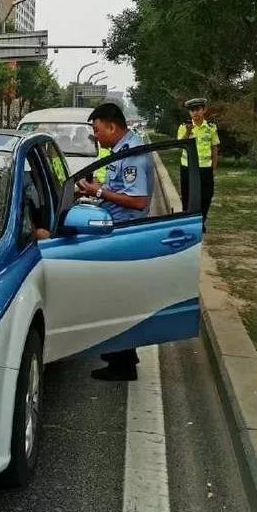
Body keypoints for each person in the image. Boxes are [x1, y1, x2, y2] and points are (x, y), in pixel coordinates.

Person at [76, 103, 152, 381]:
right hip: (118, 228)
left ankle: (122, 367)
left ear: (111, 125)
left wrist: (100, 192)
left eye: (97, 130)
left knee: (116, 298)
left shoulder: (130, 155)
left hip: (124, 232)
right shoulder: (121, 150)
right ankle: (125, 355)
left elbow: (139, 200)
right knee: (119, 297)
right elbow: (120, 189)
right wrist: (98, 189)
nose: (96, 136)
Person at [177, 98, 219, 232]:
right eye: (192, 110)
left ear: (204, 110)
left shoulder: (211, 127)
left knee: (207, 196)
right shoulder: (184, 126)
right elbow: (180, 145)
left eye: (198, 109)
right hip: (188, 167)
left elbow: (214, 148)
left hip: (205, 167)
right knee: (187, 196)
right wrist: (189, 131)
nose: (195, 113)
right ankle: (188, 222)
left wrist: (214, 167)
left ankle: (201, 221)